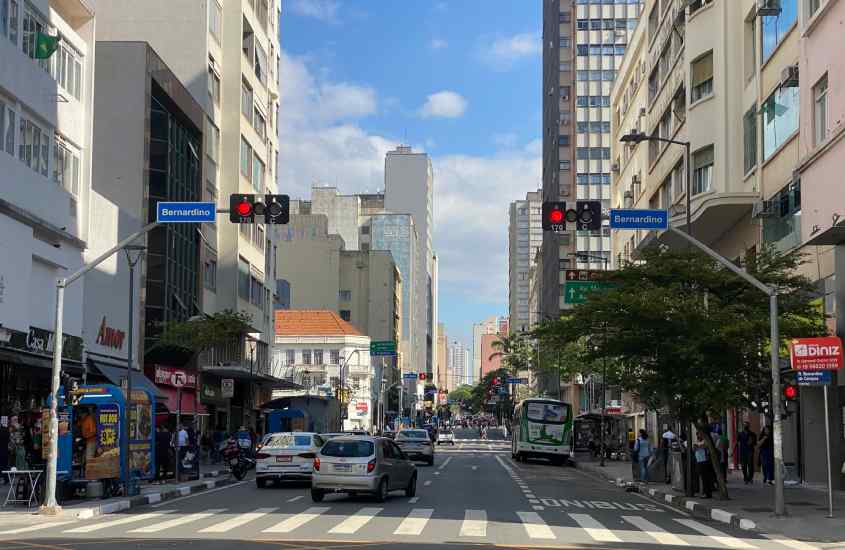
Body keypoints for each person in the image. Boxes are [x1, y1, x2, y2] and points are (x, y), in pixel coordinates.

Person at [694, 432, 713, 498]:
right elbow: (694, 448)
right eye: (697, 435)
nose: (698, 436)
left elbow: (704, 446)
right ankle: (704, 492)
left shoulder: (705, 441)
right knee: (702, 478)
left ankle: (707, 493)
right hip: (699, 461)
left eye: (699, 434)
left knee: (705, 478)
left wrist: (698, 446)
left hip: (704, 461)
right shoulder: (697, 442)